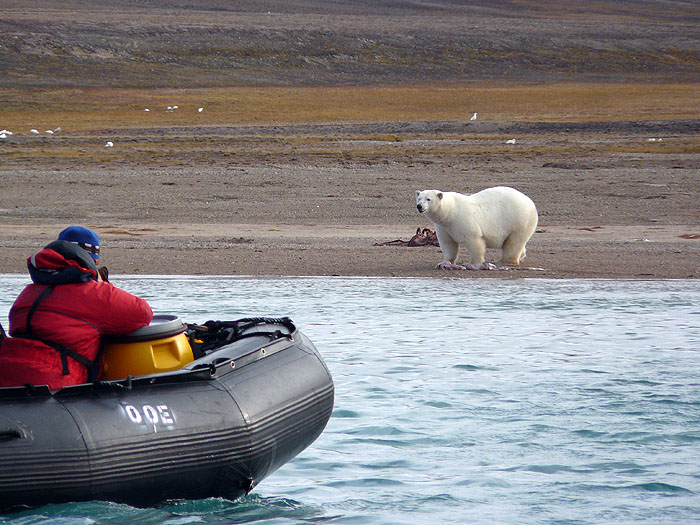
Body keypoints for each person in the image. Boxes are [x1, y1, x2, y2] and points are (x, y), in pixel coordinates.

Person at [0, 226, 153, 390]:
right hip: (54, 383)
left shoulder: (28, 293)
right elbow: (143, 312)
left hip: (7, 375)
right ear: (92, 262)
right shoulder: (95, 294)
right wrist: (101, 283)